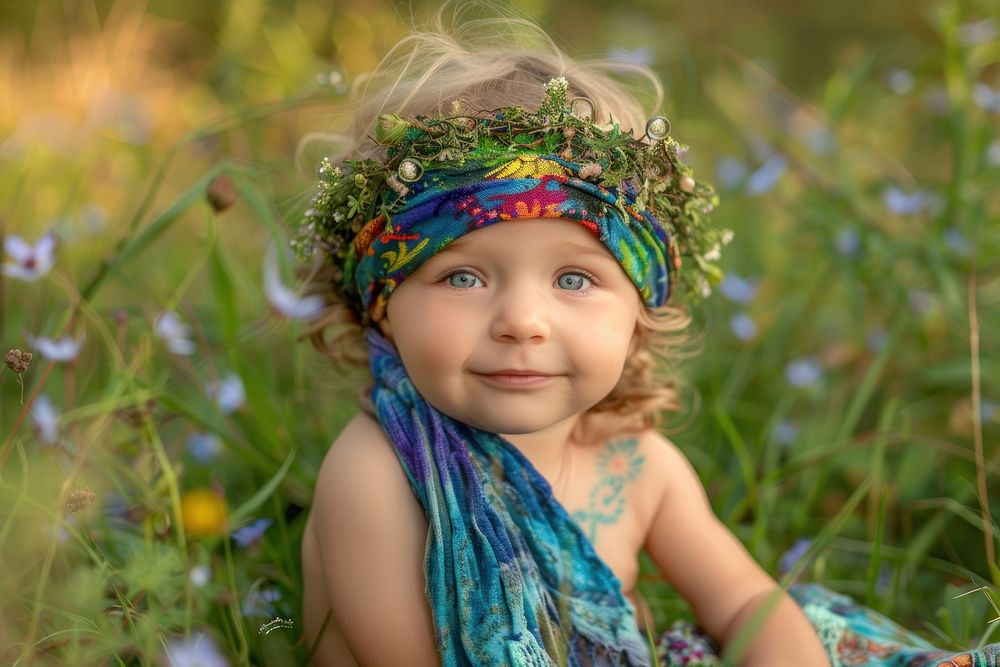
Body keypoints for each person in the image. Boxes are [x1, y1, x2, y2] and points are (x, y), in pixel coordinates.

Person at [297, 7, 1000, 667]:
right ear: (382, 302)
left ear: (639, 312)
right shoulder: (376, 475)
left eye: (573, 278)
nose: (522, 320)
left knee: (808, 624)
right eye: (462, 277)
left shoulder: (637, 463)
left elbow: (747, 600)